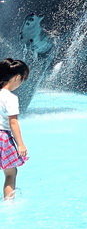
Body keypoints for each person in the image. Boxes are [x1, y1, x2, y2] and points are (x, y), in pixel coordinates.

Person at [1, 58, 30, 201]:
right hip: (3, 137)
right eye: (23, 79)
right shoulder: (11, 98)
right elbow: (13, 122)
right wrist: (21, 144)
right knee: (11, 173)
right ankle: (8, 203)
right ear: (17, 77)